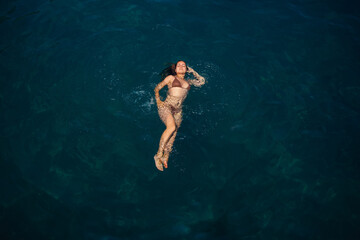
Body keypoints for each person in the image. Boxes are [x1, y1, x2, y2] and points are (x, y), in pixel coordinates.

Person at [154, 60, 206, 171]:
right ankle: (158, 155)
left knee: (174, 133)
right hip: (166, 106)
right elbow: (157, 88)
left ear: (186, 69)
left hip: (178, 110)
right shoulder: (171, 78)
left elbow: (202, 82)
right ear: (175, 69)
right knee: (171, 127)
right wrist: (158, 101)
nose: (181, 67)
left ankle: (165, 156)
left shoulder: (189, 81)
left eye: (184, 65)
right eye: (179, 65)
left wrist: (193, 72)